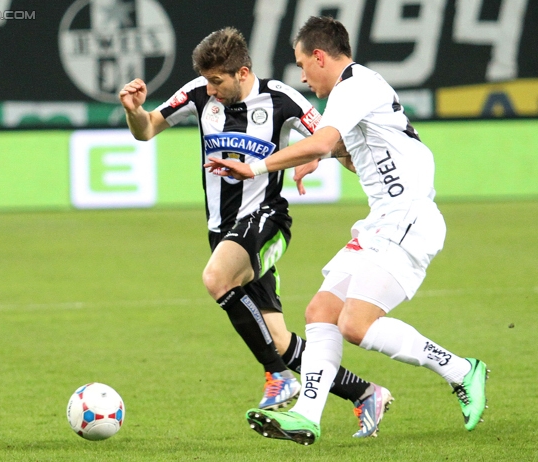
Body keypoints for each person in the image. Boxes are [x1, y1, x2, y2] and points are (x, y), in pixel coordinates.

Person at [205, 16, 488, 445]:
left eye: (303, 64)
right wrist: (325, 155)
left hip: (408, 218)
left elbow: (323, 139)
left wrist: (258, 166)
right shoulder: (351, 95)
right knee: (320, 312)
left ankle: (460, 369)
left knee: (355, 324)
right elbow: (344, 147)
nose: (301, 75)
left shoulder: (355, 86)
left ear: (320, 56)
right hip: (382, 222)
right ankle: (307, 416)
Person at [119, 27, 393, 438]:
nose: (210, 91)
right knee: (279, 340)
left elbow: (338, 145)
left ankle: (277, 377)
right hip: (222, 232)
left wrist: (320, 157)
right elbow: (146, 130)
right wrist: (134, 110)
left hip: (266, 220)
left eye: (217, 82)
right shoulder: (197, 92)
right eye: (207, 81)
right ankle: (364, 393)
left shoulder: (283, 98)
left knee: (216, 278)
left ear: (242, 72)